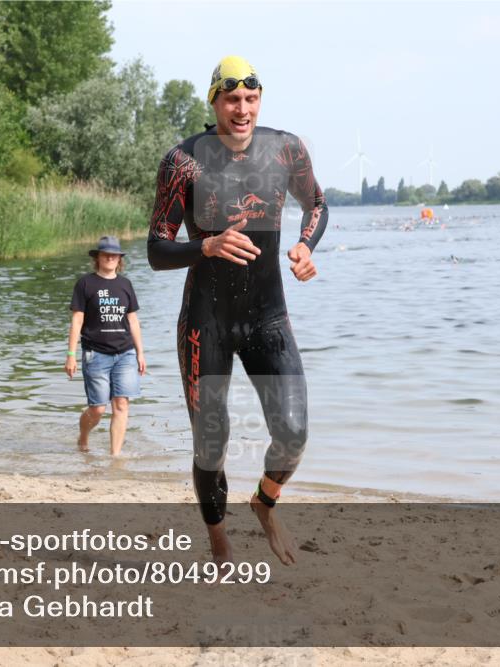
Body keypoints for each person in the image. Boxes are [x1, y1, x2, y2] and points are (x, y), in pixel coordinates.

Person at [146, 56, 328, 565]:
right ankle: (220, 544)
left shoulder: (286, 149)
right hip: (207, 321)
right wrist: (205, 246)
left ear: (260, 99)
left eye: (251, 98)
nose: (242, 109)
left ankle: (265, 502)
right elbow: (157, 249)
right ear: (215, 102)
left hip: (268, 316)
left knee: (293, 433)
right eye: (231, 100)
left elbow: (317, 203)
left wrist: (306, 245)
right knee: (211, 443)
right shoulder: (183, 161)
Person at [66, 236, 146, 455]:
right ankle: (83, 436)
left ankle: (115, 457)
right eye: (106, 254)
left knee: (121, 404)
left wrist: (140, 353)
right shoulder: (85, 284)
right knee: (98, 408)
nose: (110, 258)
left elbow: (133, 320)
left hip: (125, 354)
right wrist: (71, 354)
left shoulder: (125, 284)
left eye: (114, 255)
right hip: (96, 354)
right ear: (98, 258)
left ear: (119, 259)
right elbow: (77, 320)